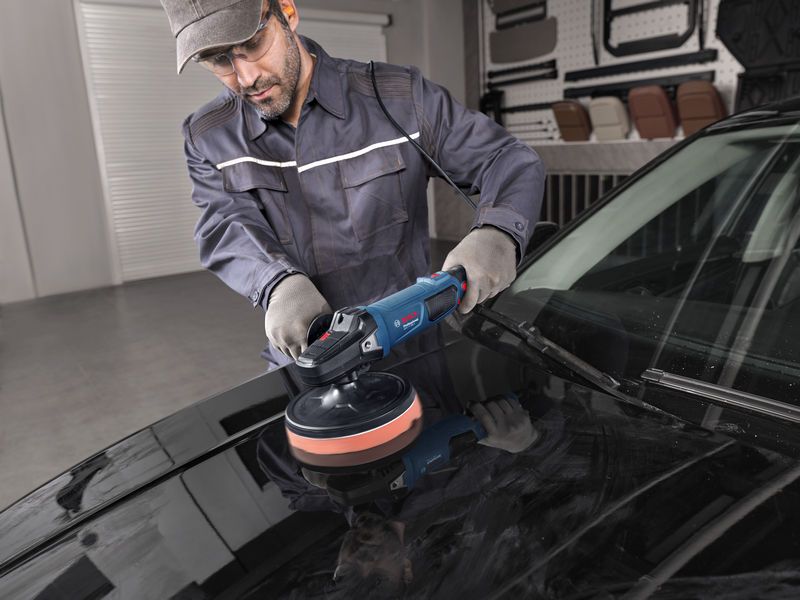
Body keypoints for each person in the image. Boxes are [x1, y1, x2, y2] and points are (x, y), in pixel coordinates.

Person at [160, 0, 545, 368]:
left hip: (410, 343)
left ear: (287, 12)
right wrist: (277, 284)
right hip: (310, 359)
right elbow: (226, 224)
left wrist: (497, 230)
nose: (246, 78)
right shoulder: (209, 137)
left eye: (253, 43)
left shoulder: (400, 99)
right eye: (218, 60)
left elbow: (505, 158)